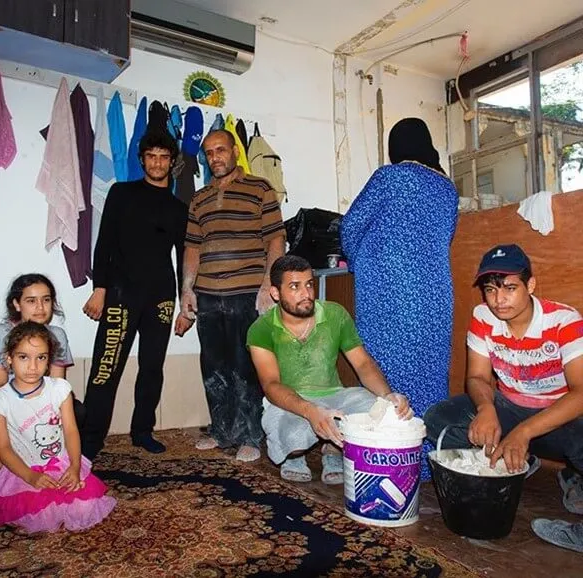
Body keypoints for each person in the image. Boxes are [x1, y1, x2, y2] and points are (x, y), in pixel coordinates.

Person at [423, 244, 583, 550]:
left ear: (530, 285)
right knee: (440, 419)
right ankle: (515, 463)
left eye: (510, 288)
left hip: (559, 417)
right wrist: (486, 408)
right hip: (509, 407)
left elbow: (581, 393)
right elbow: (477, 377)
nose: (499, 300)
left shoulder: (564, 320)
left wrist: (523, 432)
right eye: (490, 290)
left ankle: (570, 481)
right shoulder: (483, 316)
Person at [340, 117, 458, 479]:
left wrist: (359, 261)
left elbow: (350, 225)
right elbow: (446, 236)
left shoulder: (389, 177)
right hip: (435, 294)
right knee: (430, 374)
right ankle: (426, 461)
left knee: (385, 370)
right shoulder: (447, 189)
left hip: (388, 291)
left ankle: (388, 456)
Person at [247, 255, 413, 483]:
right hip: (291, 400)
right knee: (293, 436)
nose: (306, 294)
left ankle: (332, 449)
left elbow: (363, 364)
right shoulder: (261, 329)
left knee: (380, 411)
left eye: (309, 284)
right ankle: (294, 456)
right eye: (294, 287)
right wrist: (310, 411)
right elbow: (271, 385)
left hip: (335, 396)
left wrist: (387, 396)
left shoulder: (335, 314)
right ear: (275, 293)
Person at [81, 131, 192, 459]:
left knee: (152, 367)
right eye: (151, 156)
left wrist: (185, 306)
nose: (157, 163)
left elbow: (184, 258)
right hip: (121, 293)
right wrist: (99, 289)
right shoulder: (121, 193)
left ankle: (142, 431)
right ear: (142, 160)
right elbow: (104, 242)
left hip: (161, 297)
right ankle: (91, 437)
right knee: (106, 366)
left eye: (163, 157)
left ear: (172, 162)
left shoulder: (178, 208)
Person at [181, 129, 285, 462]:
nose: (215, 157)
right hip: (208, 296)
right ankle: (221, 430)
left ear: (235, 152)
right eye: (209, 153)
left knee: (246, 366)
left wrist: (268, 285)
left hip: (247, 294)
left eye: (221, 150)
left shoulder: (260, 189)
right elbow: (192, 247)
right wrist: (186, 289)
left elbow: (276, 239)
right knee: (213, 367)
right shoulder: (199, 198)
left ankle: (250, 436)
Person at [0, 321, 116, 533]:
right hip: (24, 469)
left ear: (48, 361)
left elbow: (70, 431)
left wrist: (74, 466)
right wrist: (30, 476)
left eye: (41, 357)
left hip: (61, 463)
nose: (32, 366)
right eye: (23, 357)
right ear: (9, 358)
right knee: (37, 514)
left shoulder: (59, 389)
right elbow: (3, 448)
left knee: (85, 507)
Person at [0, 274, 81, 474]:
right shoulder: (1, 334)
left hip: (35, 405)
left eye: (46, 300)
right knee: (11, 410)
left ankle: (36, 449)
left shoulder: (57, 335)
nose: (40, 307)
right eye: (31, 301)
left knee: (77, 411)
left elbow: (58, 387)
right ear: (16, 304)